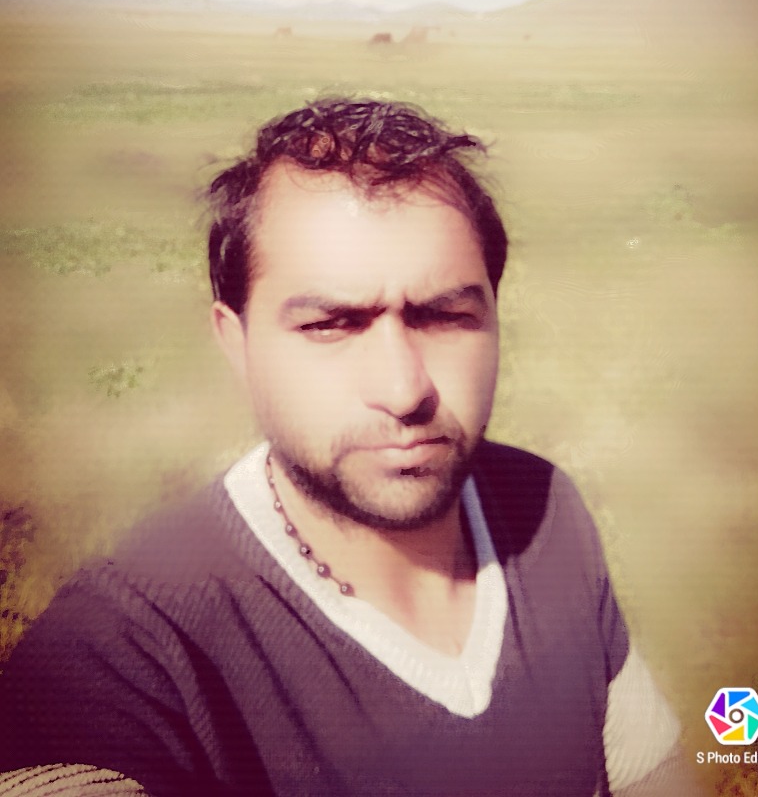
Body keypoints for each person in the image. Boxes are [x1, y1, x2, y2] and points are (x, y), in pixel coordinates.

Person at [0, 98, 698, 796]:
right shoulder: (124, 653)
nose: (403, 389)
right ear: (236, 342)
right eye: (331, 324)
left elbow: (649, 769)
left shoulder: (544, 509)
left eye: (446, 316)